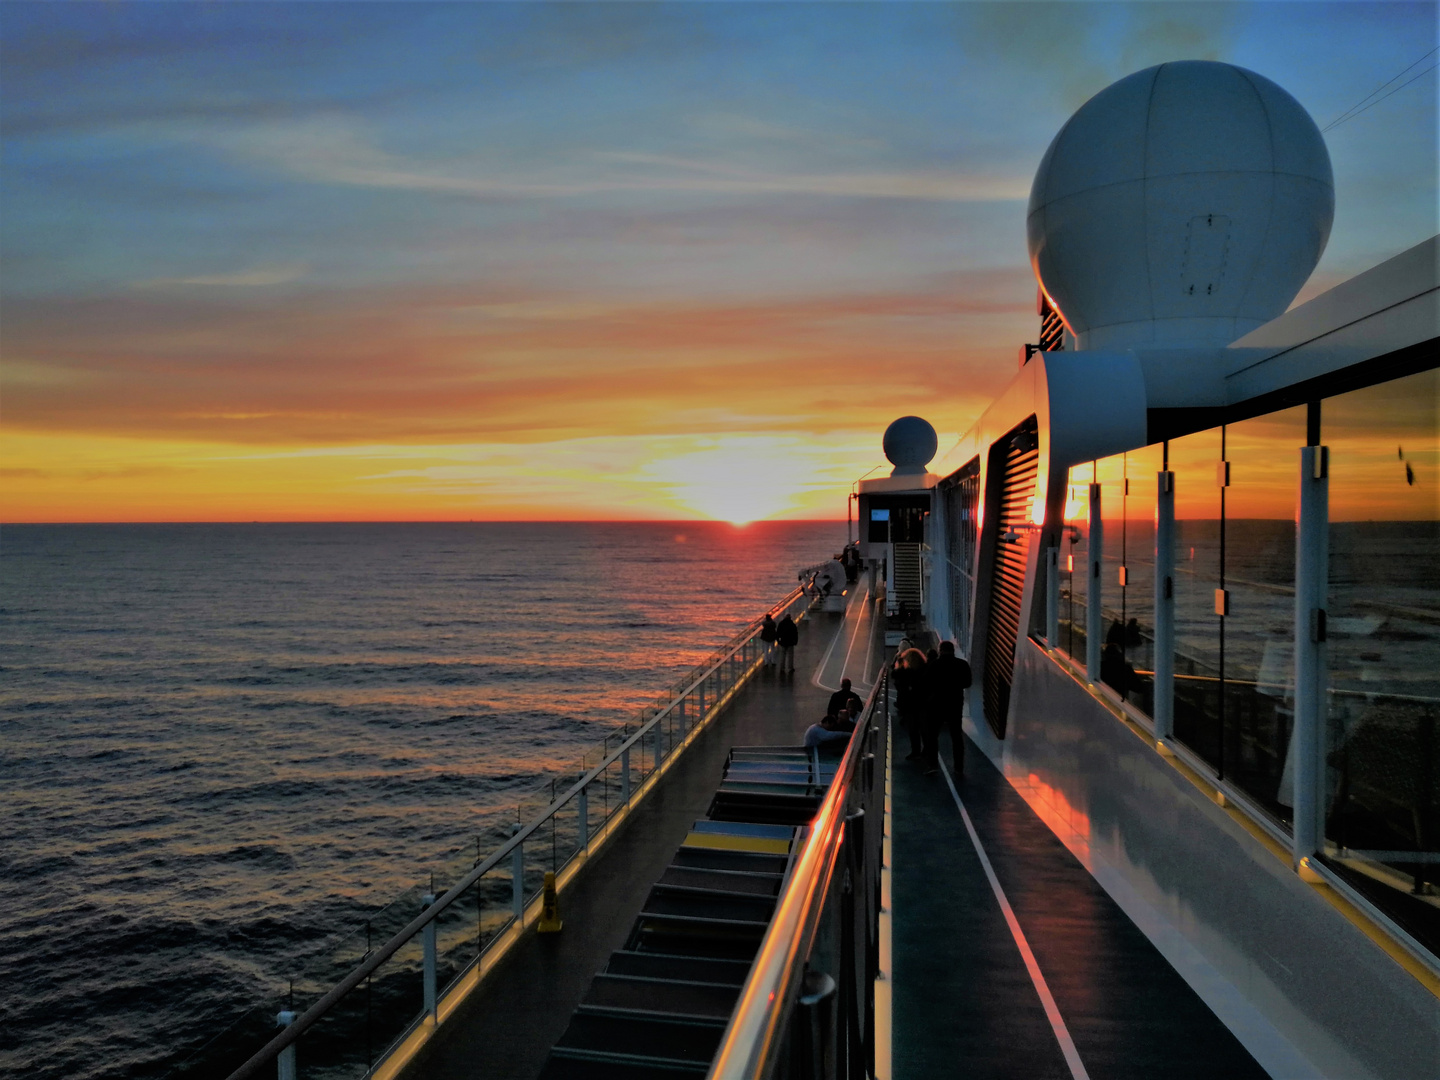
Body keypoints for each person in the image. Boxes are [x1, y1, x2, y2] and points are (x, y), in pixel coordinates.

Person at [921, 640, 971, 777]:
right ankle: (958, 768)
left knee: (932, 736)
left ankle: (933, 765)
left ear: (940, 650)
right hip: (955, 704)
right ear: (953, 650)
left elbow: (925, 682)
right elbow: (968, 683)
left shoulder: (934, 665)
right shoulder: (962, 664)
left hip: (936, 705)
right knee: (956, 738)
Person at [891, 648, 927, 760]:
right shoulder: (924, 669)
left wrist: (899, 662)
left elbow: (894, 674)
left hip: (910, 705)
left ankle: (915, 751)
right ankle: (926, 751)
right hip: (923, 704)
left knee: (913, 730)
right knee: (924, 729)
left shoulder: (906, 672)